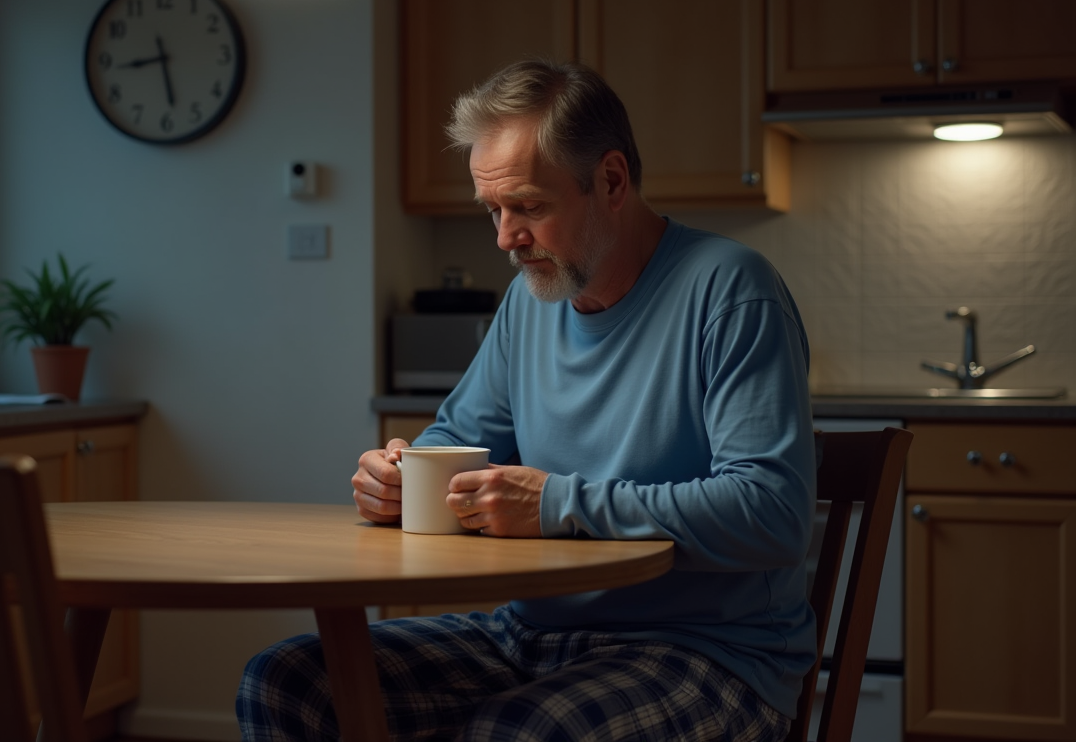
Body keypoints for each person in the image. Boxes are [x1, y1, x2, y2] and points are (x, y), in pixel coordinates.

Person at [238, 59, 817, 741]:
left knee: (516, 734)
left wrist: (555, 505)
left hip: (708, 655)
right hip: (528, 634)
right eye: (494, 209)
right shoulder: (531, 302)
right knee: (288, 683)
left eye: (529, 208)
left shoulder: (730, 290)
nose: (505, 238)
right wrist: (403, 475)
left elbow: (773, 512)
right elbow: (455, 438)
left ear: (610, 181)